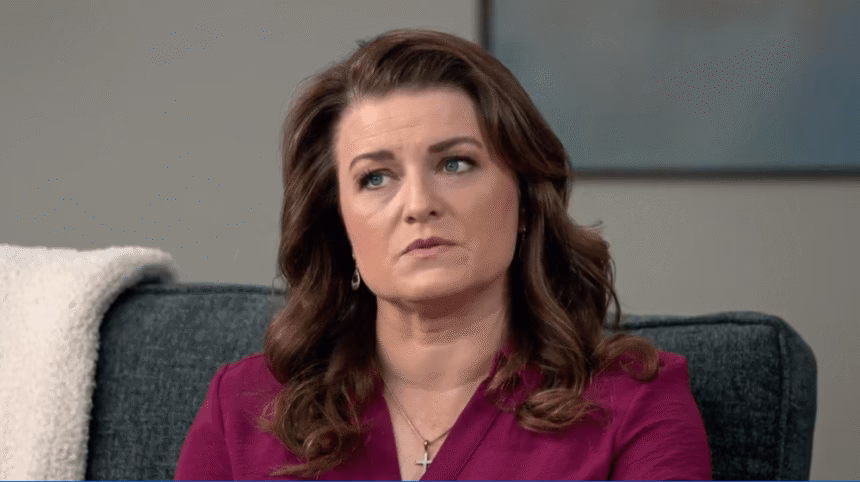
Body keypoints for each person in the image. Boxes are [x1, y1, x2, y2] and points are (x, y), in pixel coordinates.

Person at [174, 28, 712, 481]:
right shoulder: (242, 406)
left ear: (525, 200)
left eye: (455, 164)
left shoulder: (635, 403)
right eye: (375, 177)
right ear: (340, 225)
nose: (418, 205)